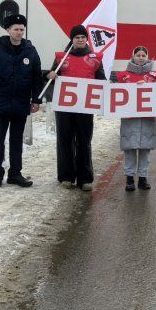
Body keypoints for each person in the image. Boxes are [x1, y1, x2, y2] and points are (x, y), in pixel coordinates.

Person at [0, 14, 44, 188]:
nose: (19, 32)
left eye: (22, 29)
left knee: (16, 140)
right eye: (16, 29)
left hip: (21, 103)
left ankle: (15, 173)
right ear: (8, 30)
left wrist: (36, 99)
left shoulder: (30, 50)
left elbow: (37, 77)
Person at [46, 25, 107, 191]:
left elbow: (102, 80)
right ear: (71, 40)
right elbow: (50, 77)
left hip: (85, 107)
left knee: (84, 141)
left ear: (86, 39)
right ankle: (66, 176)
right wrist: (50, 75)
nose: (80, 40)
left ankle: (84, 178)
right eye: (77, 37)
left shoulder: (95, 59)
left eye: (82, 37)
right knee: (65, 140)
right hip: (65, 107)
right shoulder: (62, 57)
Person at [111, 46, 156, 192]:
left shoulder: (154, 76)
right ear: (133, 57)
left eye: (143, 55)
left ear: (147, 57)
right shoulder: (123, 76)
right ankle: (129, 178)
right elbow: (116, 94)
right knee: (130, 149)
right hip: (130, 119)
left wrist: (149, 87)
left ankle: (143, 178)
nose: (140, 57)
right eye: (138, 55)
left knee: (145, 150)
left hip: (146, 119)